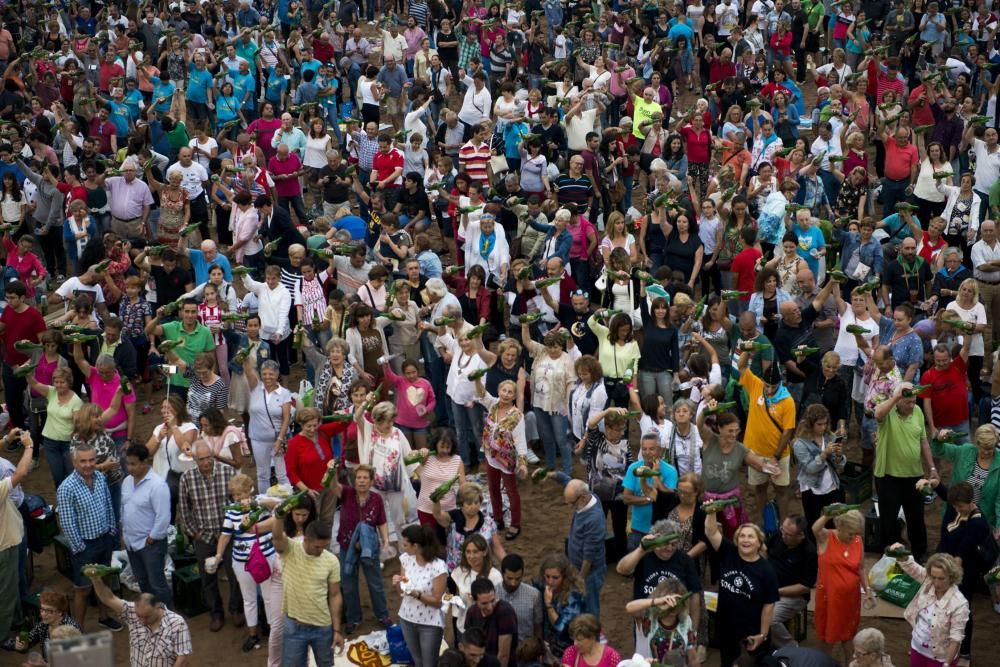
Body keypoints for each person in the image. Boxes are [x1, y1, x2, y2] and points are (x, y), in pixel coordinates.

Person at [176, 440, 242, 632]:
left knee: (234, 572)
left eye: (209, 458)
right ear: (195, 459)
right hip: (203, 536)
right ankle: (216, 613)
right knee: (208, 578)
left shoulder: (227, 472)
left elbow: (237, 501)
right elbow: (184, 509)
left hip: (227, 534)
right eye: (202, 459)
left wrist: (234, 528)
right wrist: (193, 532)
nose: (206, 462)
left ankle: (236, 609)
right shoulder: (187, 478)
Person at [56, 443, 121, 632]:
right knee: (83, 589)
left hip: (105, 539)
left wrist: (111, 530)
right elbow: (68, 522)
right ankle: (78, 629)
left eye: (91, 460)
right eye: (83, 461)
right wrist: (79, 547)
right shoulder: (67, 487)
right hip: (85, 546)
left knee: (104, 583)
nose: (88, 464)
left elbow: (109, 505)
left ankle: (103, 617)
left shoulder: (100, 477)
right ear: (74, 462)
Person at [214, 473, 281, 654]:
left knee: (270, 596)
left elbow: (281, 505)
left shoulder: (260, 502)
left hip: (266, 557)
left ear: (249, 490)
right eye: (235, 494)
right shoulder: (231, 511)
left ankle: (273, 630)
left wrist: (256, 503)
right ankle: (253, 634)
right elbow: (226, 535)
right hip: (241, 561)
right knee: (248, 598)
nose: (238, 498)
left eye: (241, 493)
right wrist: (218, 555)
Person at [704, 510, 779, 667]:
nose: (746, 540)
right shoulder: (728, 552)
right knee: (728, 662)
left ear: (759, 542)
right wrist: (711, 512)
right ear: (736, 541)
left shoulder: (767, 570)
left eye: (751, 536)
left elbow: (769, 604)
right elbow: (711, 532)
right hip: (726, 626)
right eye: (742, 536)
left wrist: (763, 634)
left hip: (751, 632)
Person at [874, 381, 937, 561]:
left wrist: (932, 467)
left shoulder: (917, 412)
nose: (912, 405)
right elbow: (878, 413)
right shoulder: (888, 413)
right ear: (899, 400)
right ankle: (891, 555)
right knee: (889, 519)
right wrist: (896, 396)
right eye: (908, 402)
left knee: (916, 517)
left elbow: (923, 442)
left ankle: (920, 554)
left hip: (914, 476)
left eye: (914, 401)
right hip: (889, 477)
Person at [326, 462, 391, 634]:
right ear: (354, 480)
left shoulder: (376, 499)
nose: (361, 481)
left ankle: (382, 615)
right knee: (348, 584)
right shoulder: (346, 493)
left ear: (371, 482)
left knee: (375, 583)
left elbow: (382, 521)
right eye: (358, 478)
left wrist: (386, 540)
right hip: (347, 545)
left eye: (365, 478)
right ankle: (353, 618)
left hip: (369, 547)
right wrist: (331, 471)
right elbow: (333, 486)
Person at [737, 345, 796, 521]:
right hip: (755, 452)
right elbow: (741, 367)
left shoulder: (787, 401)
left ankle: (783, 523)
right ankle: (766, 521)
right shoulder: (756, 385)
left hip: (778, 455)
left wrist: (775, 456)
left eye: (773, 387)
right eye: (767, 386)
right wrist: (747, 350)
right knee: (759, 488)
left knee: (782, 490)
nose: (769, 390)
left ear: (780, 383)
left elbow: (788, 432)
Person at [472, 374, 529, 540]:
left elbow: (520, 442)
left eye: (510, 392)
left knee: (511, 492)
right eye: (503, 390)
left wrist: (523, 463)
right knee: (493, 488)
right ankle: (498, 518)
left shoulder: (517, 416)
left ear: (514, 396)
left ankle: (515, 523)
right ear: (499, 391)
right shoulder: (493, 405)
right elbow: (482, 394)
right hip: (491, 456)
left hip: (507, 460)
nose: (505, 394)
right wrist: (476, 380)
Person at [890, 549, 969, 667]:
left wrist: (947, 664)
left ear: (952, 577)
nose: (936, 583)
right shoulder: (928, 580)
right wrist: (902, 556)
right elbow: (912, 568)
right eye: (933, 577)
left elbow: (956, 639)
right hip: (917, 648)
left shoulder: (959, 604)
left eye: (941, 578)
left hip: (940, 658)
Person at [86, 579, 192, 666]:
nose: (142, 621)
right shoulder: (132, 611)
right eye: (139, 616)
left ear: (157, 607)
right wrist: (96, 580)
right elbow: (108, 598)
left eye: (146, 617)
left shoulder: (177, 623)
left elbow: (182, 659)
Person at [121, 443, 172, 609]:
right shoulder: (127, 482)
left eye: (134, 464)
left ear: (145, 462)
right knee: (142, 582)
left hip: (150, 545)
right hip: (131, 543)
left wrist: (151, 539)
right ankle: (151, 613)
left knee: (157, 583)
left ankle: (168, 616)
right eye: (128, 463)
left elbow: (163, 517)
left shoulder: (157, 486)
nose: (130, 468)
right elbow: (124, 508)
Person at [392, 524, 448, 667]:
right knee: (418, 661)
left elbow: (437, 601)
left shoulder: (438, 567)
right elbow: (402, 592)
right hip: (407, 618)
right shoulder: (405, 559)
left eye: (405, 544)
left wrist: (417, 595)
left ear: (415, 546)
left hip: (429, 624)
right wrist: (398, 582)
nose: (403, 547)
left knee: (429, 663)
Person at [792, 404, 847, 529]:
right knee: (815, 525)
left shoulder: (831, 437)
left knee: (835, 524)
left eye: (825, 424)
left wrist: (839, 456)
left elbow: (839, 468)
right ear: (810, 424)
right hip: (812, 489)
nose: (823, 427)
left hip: (832, 486)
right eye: (819, 424)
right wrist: (824, 454)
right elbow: (810, 468)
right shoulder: (800, 444)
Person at [0, 430, 31, 647]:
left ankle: (19, 619)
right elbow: (20, 473)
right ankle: (3, 637)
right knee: (6, 594)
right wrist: (29, 446)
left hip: (8, 541)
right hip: (4, 547)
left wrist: (6, 440)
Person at [623, 434, 679, 548]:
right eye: (644, 449)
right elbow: (626, 498)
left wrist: (656, 478)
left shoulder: (670, 471)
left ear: (660, 450)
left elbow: (670, 501)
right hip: (637, 528)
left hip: (661, 529)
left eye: (651, 449)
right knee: (637, 563)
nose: (647, 452)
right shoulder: (634, 468)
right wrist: (651, 498)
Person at [284, 407, 337, 524]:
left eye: (315, 425)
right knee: (311, 524)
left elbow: (343, 423)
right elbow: (291, 472)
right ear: (301, 424)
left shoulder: (323, 432)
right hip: (310, 491)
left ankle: (326, 543)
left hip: (329, 488)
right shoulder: (294, 444)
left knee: (327, 522)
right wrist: (306, 490)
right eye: (308, 426)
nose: (313, 429)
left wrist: (339, 414)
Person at [536, 553, 586, 658]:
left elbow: (562, 629)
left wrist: (548, 604)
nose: (550, 581)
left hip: (568, 647)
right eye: (547, 576)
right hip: (549, 643)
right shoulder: (542, 585)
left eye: (555, 578)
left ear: (565, 577)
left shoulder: (574, 597)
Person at [2, 589, 78, 657]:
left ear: (60, 612)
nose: (43, 614)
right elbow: (29, 639)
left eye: (49, 611)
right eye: (42, 609)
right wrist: (21, 645)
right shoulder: (43, 624)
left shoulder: (71, 630)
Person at [498, 553, 543, 644]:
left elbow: (538, 625)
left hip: (525, 649)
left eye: (517, 578)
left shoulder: (534, 595)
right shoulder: (494, 593)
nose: (513, 583)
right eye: (509, 578)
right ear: (502, 574)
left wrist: (539, 646)